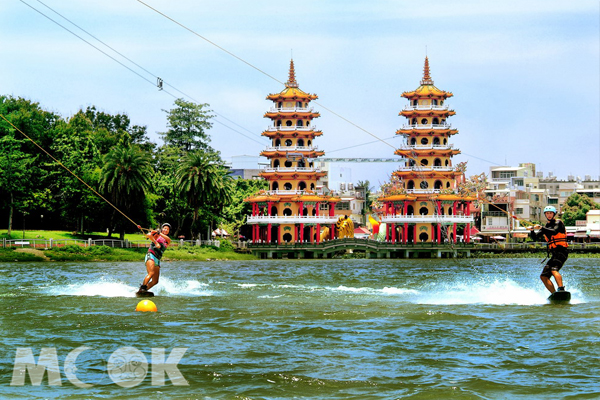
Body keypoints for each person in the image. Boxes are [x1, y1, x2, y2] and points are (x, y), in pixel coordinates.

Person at [528, 206, 568, 293]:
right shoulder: (547, 226)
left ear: (554, 214)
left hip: (562, 251)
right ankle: (554, 294)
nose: (549, 215)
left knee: (554, 270)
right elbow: (535, 237)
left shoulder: (558, 223)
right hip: (554, 254)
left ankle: (561, 289)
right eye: (547, 213)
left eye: (550, 213)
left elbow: (554, 231)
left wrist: (542, 228)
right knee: (543, 276)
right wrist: (532, 231)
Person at [137, 223, 172, 295]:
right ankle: (142, 288)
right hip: (151, 255)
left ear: (168, 231)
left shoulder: (167, 240)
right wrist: (155, 242)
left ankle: (145, 289)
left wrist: (159, 233)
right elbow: (148, 235)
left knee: (155, 281)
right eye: (164, 228)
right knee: (151, 273)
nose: (166, 230)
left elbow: (167, 238)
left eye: (167, 229)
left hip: (157, 259)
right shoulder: (156, 235)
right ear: (162, 229)